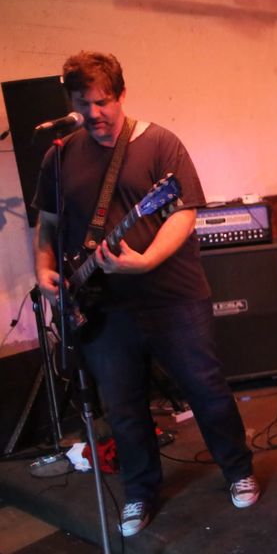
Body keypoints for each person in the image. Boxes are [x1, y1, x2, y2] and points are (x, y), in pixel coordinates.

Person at [32, 51, 258, 537]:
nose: (94, 113)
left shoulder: (158, 142)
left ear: (122, 94)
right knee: (123, 405)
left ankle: (238, 469)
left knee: (205, 389)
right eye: (83, 104)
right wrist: (45, 270)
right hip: (101, 306)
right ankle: (139, 492)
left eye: (103, 101)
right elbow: (48, 225)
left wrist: (148, 259)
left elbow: (184, 211)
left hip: (172, 296)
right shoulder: (59, 155)